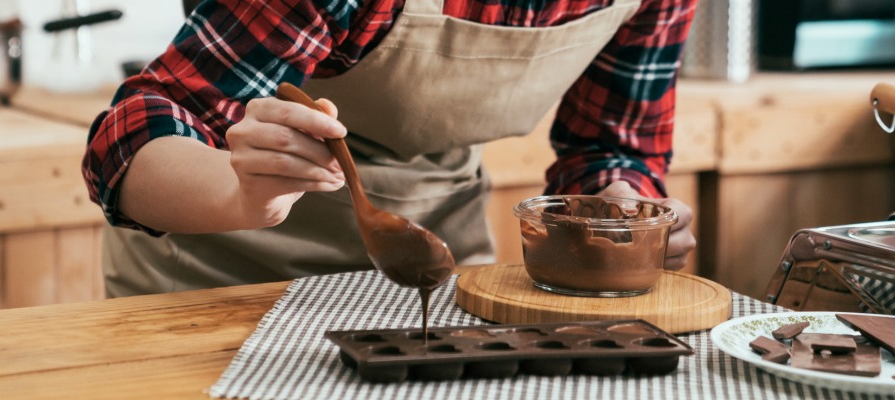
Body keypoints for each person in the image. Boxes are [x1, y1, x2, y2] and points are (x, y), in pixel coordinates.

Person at [83, 0, 699, 297]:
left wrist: (621, 208)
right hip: (219, 278)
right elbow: (131, 134)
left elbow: (612, 145)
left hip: (443, 250)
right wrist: (240, 191)